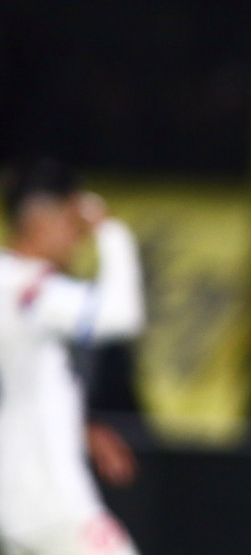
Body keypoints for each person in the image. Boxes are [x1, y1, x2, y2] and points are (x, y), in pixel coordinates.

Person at [0, 158, 145, 554]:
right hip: (47, 497)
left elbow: (24, 384)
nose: (77, 239)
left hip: (19, 496)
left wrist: (78, 426)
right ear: (40, 220)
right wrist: (111, 231)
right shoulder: (27, 288)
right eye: (72, 223)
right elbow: (122, 315)